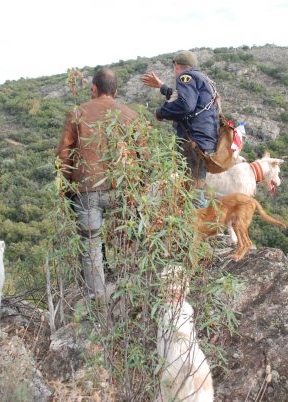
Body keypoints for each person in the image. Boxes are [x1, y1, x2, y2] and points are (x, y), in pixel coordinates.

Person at [56, 68, 142, 302]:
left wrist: (65, 188)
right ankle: (131, 294)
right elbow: (143, 155)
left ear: (94, 88)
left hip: (87, 188)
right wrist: (140, 187)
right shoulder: (130, 115)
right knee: (128, 240)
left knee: (91, 245)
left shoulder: (77, 113)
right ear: (115, 90)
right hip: (123, 188)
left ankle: (98, 300)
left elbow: (63, 154)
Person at [141, 50, 219, 206]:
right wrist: (162, 87)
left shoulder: (186, 77)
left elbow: (186, 105)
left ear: (177, 65)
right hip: (204, 141)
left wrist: (161, 112)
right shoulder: (203, 79)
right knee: (195, 186)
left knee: (192, 189)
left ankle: (196, 227)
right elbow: (190, 100)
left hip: (192, 142)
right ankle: (195, 223)